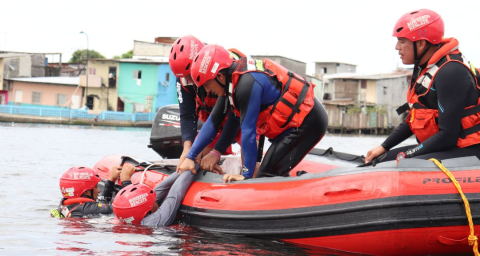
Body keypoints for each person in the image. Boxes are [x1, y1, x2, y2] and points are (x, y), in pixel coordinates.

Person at [178, 44, 328, 182]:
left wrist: (245, 175)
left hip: (307, 123)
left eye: (206, 85)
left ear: (219, 77)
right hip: (290, 129)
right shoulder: (230, 84)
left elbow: (248, 132)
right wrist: (190, 157)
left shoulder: (245, 86)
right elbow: (212, 123)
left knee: (265, 175)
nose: (207, 91)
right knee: (271, 171)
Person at [365, 9, 480, 164]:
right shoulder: (427, 69)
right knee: (379, 160)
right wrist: (384, 146)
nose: (397, 47)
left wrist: (407, 156)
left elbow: (448, 137)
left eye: (402, 41)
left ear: (420, 44)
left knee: (400, 164)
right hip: (447, 148)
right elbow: (415, 116)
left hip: (470, 150)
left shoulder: (451, 71)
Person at [169, 35, 245, 174]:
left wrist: (217, 152)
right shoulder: (183, 78)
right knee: (197, 158)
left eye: (189, 76)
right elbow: (187, 115)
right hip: (212, 122)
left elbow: (235, 117)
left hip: (241, 117)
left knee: (250, 156)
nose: (188, 80)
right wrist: (188, 149)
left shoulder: (224, 70)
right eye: (183, 77)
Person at [112, 169, 195, 226]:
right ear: (147, 211)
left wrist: (185, 164)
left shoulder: (128, 218)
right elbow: (175, 194)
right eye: (155, 202)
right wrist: (193, 163)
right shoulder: (155, 221)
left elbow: (161, 189)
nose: (156, 201)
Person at [50, 164, 136, 218]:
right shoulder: (87, 209)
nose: (98, 191)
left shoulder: (64, 205)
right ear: (86, 191)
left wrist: (111, 180)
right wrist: (126, 180)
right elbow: (127, 208)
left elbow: (102, 205)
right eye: (95, 187)